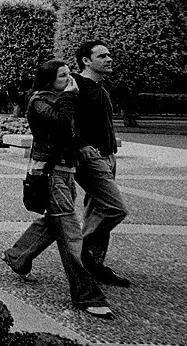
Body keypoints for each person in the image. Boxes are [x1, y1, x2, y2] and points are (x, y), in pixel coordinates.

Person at [3, 60, 113, 319]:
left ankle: (17, 256)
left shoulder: (62, 99)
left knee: (55, 222)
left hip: (66, 171)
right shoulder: (39, 101)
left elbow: (72, 131)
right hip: (50, 174)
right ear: (49, 80)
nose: (69, 79)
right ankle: (87, 295)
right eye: (62, 76)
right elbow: (61, 124)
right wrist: (69, 98)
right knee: (69, 232)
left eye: (68, 74)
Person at [73, 40, 131, 286]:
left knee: (97, 208)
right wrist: (82, 145)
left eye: (109, 55)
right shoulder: (77, 86)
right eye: (102, 56)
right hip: (92, 159)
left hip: (107, 156)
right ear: (86, 61)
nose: (109, 59)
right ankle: (81, 251)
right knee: (115, 208)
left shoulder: (100, 88)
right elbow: (66, 120)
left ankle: (95, 264)